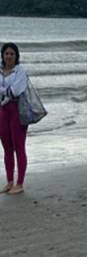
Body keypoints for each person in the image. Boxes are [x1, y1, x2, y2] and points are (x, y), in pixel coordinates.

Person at [0, 43, 28, 195]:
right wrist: (6, 91)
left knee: (19, 147)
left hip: (17, 111)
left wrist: (4, 91)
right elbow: (8, 92)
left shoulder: (20, 71)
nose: (9, 56)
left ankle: (20, 183)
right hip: (3, 111)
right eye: (6, 53)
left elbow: (16, 91)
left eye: (12, 54)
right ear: (2, 55)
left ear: (16, 56)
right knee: (6, 148)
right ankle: (10, 181)